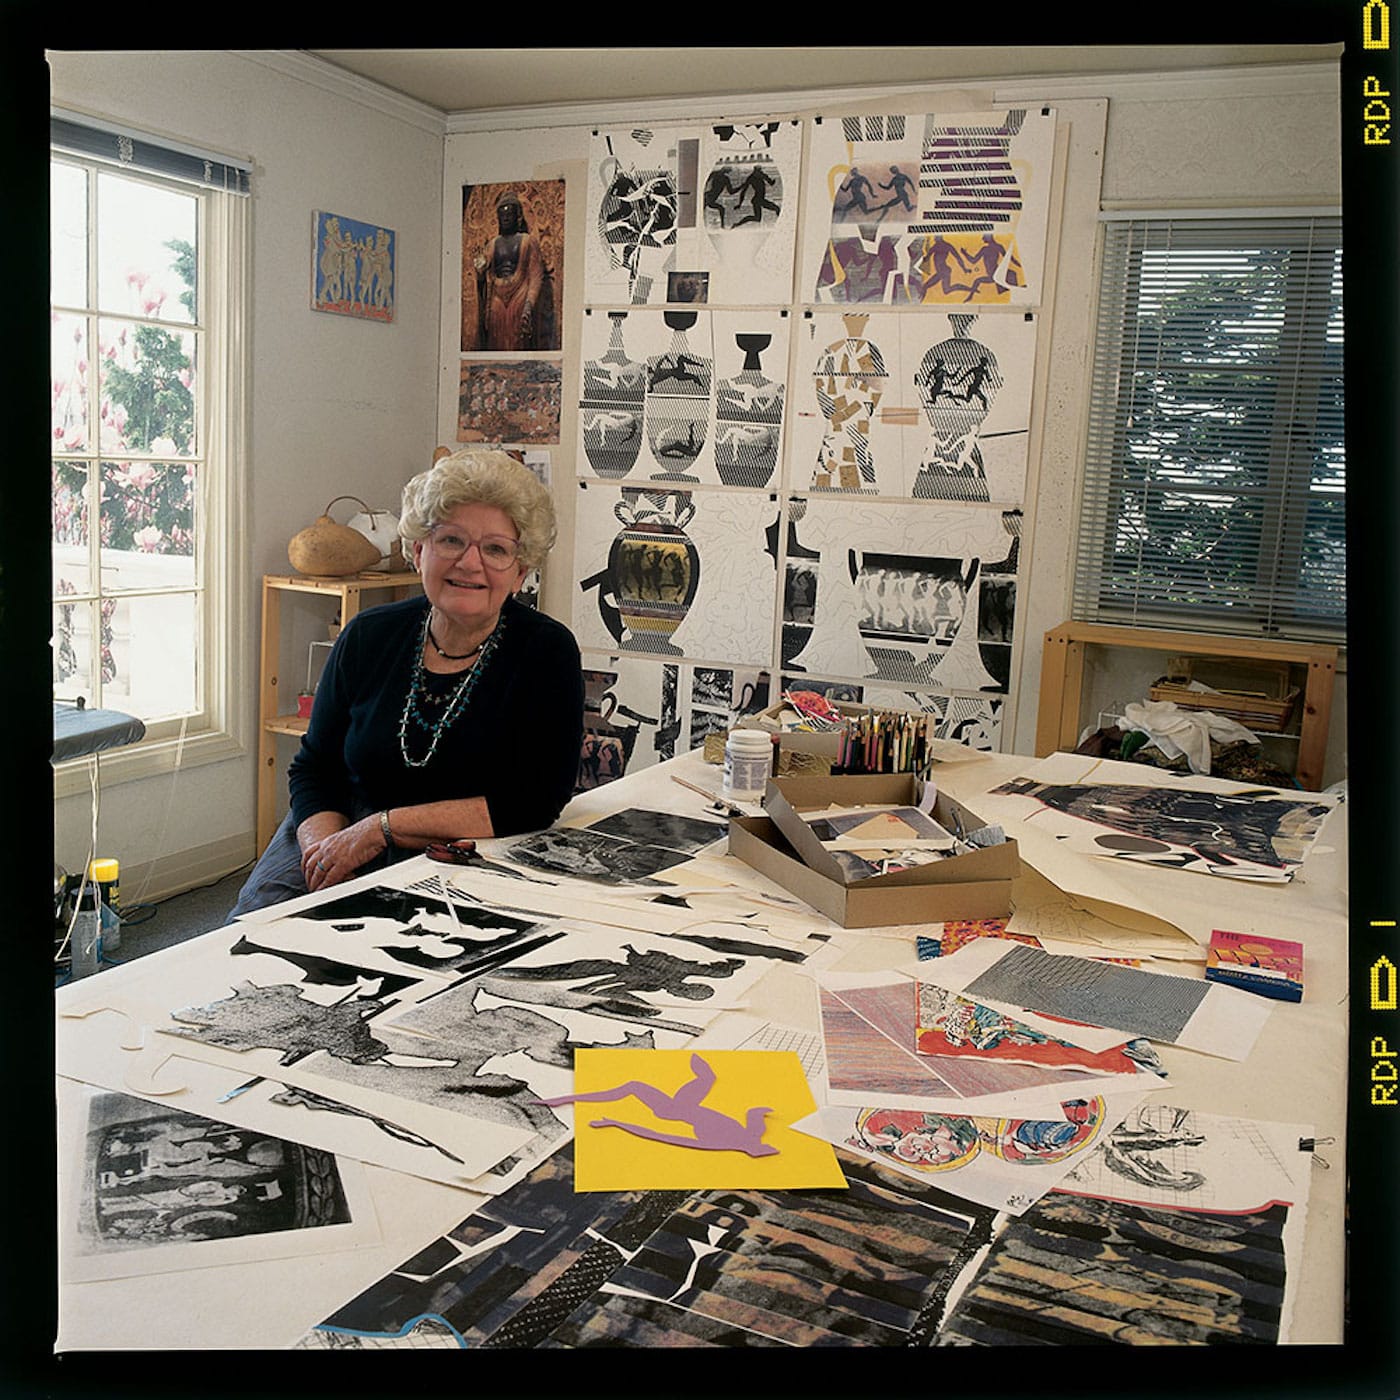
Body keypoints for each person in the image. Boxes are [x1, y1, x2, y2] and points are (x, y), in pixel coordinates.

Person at [229, 449, 584, 917]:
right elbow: (315, 769)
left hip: (463, 847)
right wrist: (325, 850)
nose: (470, 563)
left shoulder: (546, 651)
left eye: (496, 549)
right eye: (451, 540)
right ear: (418, 551)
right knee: (253, 943)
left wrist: (379, 830)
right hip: (339, 824)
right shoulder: (368, 634)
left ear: (520, 572)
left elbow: (532, 802)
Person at [474, 192, 546, 351]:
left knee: (518, 339)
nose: (505, 218)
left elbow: (535, 276)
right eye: (502, 215)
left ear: (518, 217)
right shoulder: (492, 244)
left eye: (509, 214)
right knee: (496, 339)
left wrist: (529, 304)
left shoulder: (527, 241)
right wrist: (479, 272)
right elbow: (482, 270)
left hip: (520, 294)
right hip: (497, 298)